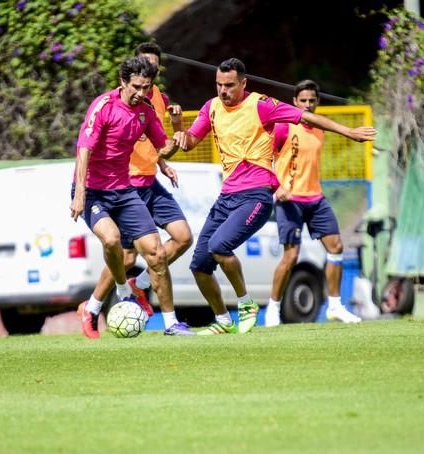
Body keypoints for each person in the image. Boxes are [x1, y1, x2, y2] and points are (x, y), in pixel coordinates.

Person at [172, 58, 376, 335]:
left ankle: (248, 305)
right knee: (199, 265)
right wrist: (176, 128)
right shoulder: (211, 108)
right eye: (219, 84)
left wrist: (348, 131)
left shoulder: (261, 104)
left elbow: (305, 117)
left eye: (229, 85)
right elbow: (189, 143)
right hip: (227, 196)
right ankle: (222, 320)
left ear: (244, 83)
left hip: (256, 194)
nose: (223, 90)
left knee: (220, 246)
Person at [71, 55, 192, 339]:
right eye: (136, 86)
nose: (141, 93)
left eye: (147, 87)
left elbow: (163, 149)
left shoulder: (146, 111)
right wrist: (79, 192)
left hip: (124, 191)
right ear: (123, 82)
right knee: (112, 240)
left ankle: (171, 323)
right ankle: (110, 297)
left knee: (157, 254)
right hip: (94, 191)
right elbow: (84, 149)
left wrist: (178, 133)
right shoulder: (103, 106)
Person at [264, 80, 361, 327]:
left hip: (315, 198)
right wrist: (278, 187)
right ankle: (273, 308)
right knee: (291, 257)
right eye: (303, 100)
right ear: (295, 102)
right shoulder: (284, 127)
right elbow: (264, 158)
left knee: (336, 246)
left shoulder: (320, 129)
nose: (308, 105)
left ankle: (336, 306)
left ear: (317, 102)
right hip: (290, 200)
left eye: (312, 100)